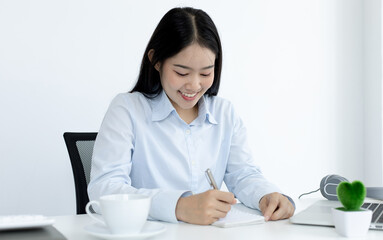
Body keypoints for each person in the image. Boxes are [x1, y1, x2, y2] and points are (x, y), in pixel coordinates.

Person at [88, 7, 295, 225]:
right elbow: (104, 188)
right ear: (156, 60)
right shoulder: (127, 109)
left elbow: (243, 175)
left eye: (206, 73)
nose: (194, 85)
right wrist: (178, 206)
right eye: (182, 73)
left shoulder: (224, 113)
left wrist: (267, 196)